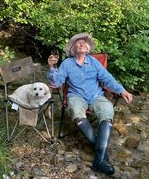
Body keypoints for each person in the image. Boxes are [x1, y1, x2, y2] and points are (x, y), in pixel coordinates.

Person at [47, 33, 132, 176]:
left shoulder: (94, 62)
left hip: (96, 95)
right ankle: (101, 155)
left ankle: (98, 158)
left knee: (107, 108)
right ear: (73, 49)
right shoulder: (67, 64)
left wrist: (122, 90)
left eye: (84, 43)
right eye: (78, 43)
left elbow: (107, 79)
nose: (81, 44)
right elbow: (56, 83)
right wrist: (51, 67)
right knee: (75, 109)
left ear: (87, 49)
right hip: (76, 96)